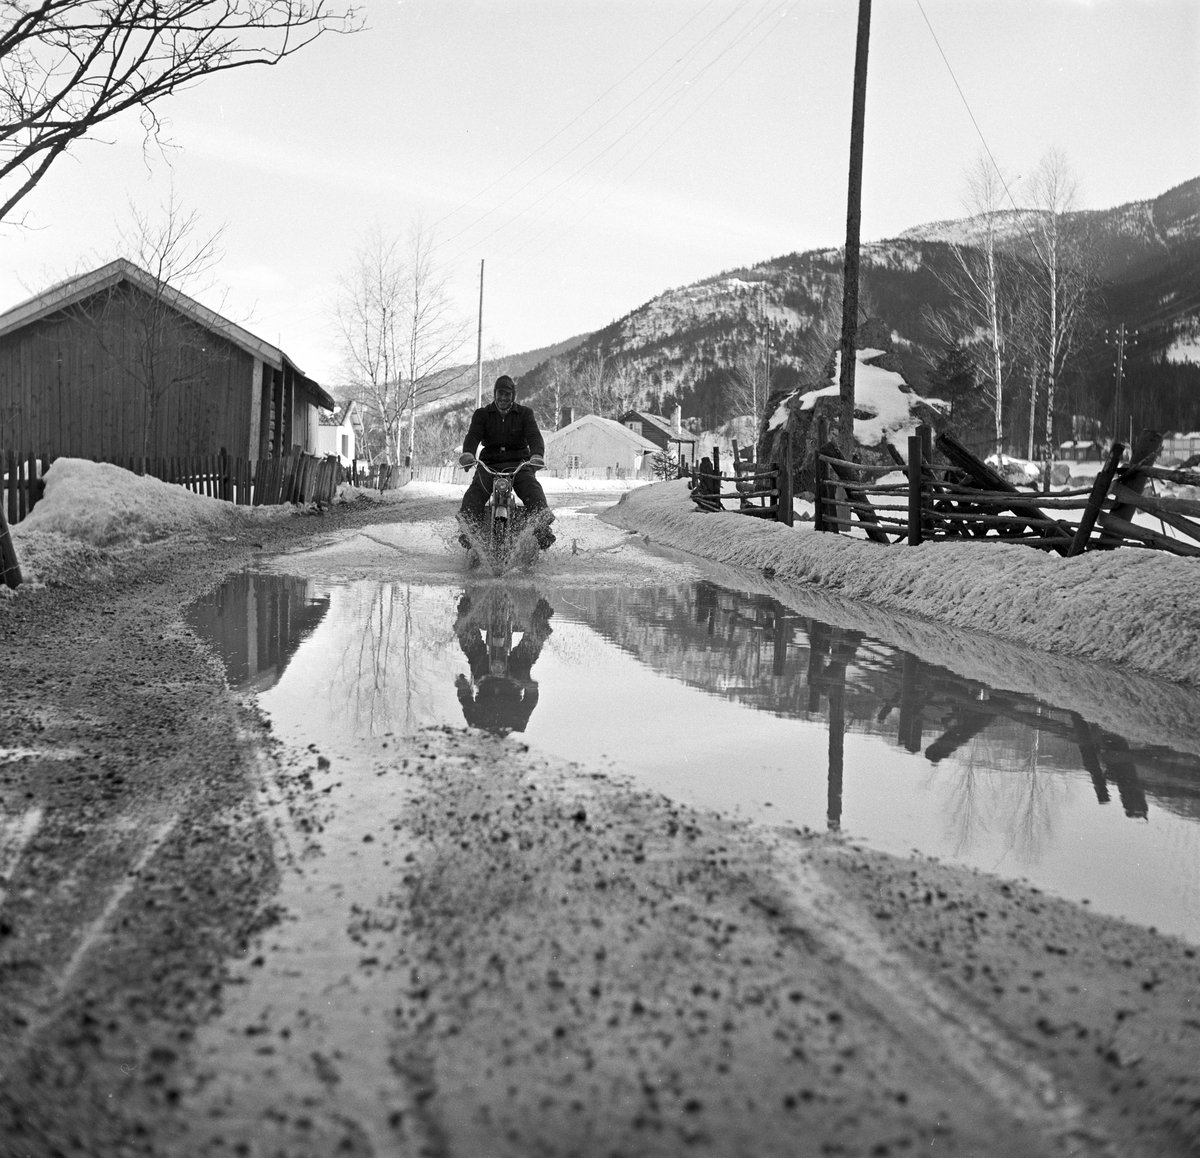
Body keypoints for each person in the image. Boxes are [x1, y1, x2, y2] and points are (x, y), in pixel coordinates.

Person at [458, 375, 555, 548]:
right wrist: (468, 454)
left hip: (518, 463)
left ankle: (541, 528)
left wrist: (537, 456)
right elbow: (473, 435)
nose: (503, 397)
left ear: (513, 395)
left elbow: (534, 435)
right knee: (476, 491)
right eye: (500, 393)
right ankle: (469, 530)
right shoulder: (482, 414)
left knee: (532, 489)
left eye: (507, 394)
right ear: (495, 394)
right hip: (490, 464)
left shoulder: (525, 414)